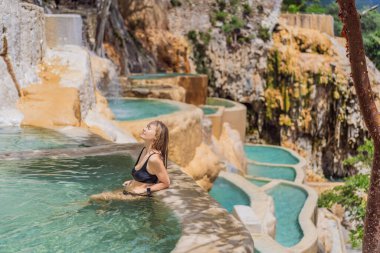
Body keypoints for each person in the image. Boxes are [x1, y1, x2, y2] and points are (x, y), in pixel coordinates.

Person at [122, 120, 171, 197]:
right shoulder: (144, 150)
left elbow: (166, 183)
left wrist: (146, 190)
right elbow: (145, 178)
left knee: (100, 198)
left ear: (156, 137)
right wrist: (133, 182)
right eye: (146, 126)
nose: (144, 129)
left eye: (148, 128)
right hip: (131, 192)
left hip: (139, 197)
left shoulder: (154, 159)